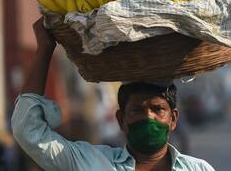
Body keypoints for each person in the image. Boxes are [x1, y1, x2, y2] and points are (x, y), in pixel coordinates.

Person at [11, 18, 215, 171]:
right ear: (121, 119)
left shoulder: (198, 169)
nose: (148, 116)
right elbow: (27, 130)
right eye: (137, 110)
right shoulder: (92, 163)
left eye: (157, 109)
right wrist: (45, 50)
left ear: (173, 119)